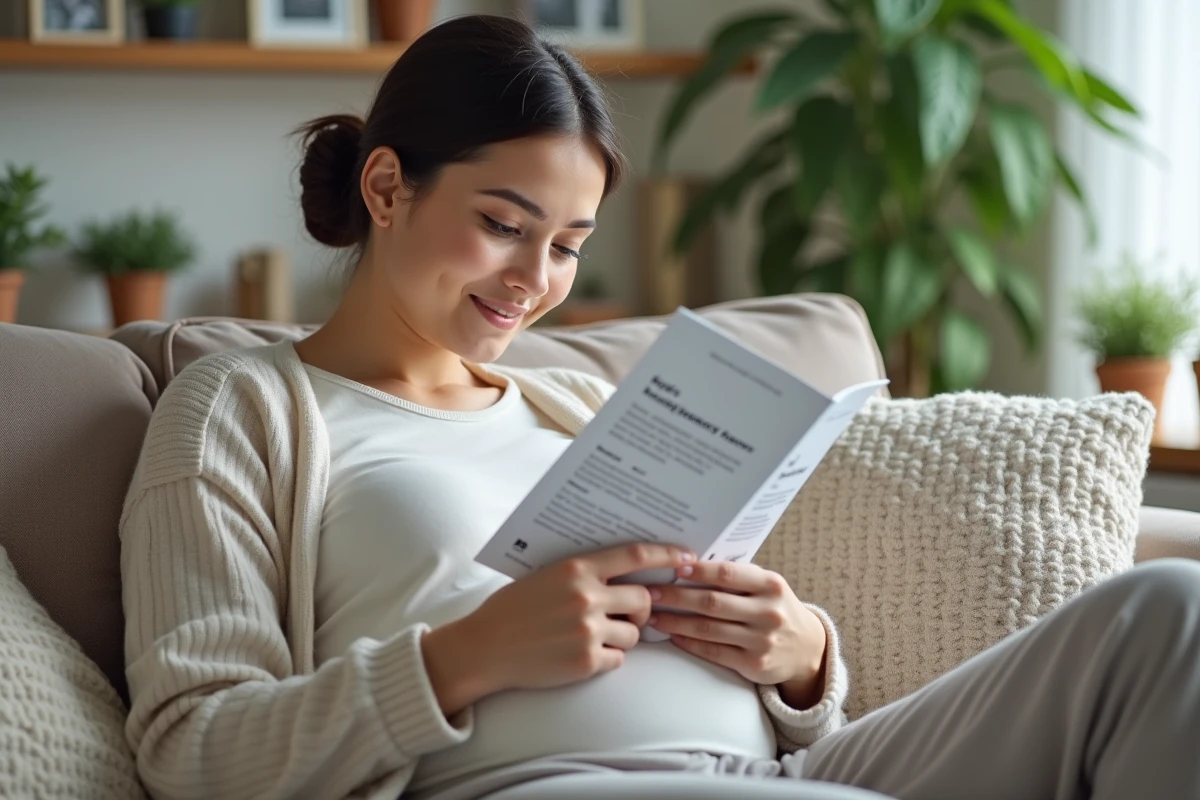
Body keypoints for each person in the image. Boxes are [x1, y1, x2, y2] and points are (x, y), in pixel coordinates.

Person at [119, 14, 1200, 800]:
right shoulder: (246, 408)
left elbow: (786, 685)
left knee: (1166, 612)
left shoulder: (573, 397)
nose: (534, 279)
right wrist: (465, 654)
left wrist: (802, 655)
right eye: (503, 222)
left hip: (783, 767)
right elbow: (189, 748)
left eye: (568, 246)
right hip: (534, 782)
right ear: (390, 187)